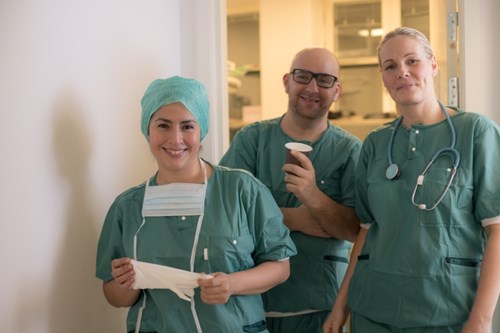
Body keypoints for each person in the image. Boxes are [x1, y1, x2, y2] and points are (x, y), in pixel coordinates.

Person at [323, 27, 500, 333]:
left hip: (446, 312)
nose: (402, 72)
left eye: (412, 61)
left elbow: (497, 229)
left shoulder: (476, 132)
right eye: (390, 66)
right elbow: (366, 231)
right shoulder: (376, 143)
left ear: (433, 65)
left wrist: (481, 321)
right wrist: (341, 307)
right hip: (372, 311)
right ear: (383, 77)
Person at [95, 76, 297, 333]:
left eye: (187, 126)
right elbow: (115, 297)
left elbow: (280, 266)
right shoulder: (127, 207)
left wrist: (232, 284)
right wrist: (125, 283)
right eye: (163, 125)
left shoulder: (242, 189)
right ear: (148, 130)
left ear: (202, 130)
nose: (175, 139)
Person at [220, 47, 362, 333]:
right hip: (250, 304)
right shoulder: (252, 140)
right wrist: (300, 219)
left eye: (324, 80)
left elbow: (355, 230)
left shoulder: (349, 151)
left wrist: (314, 197)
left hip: (318, 308)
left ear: (337, 91)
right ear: (287, 81)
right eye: (302, 76)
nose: (312, 87)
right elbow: (226, 214)